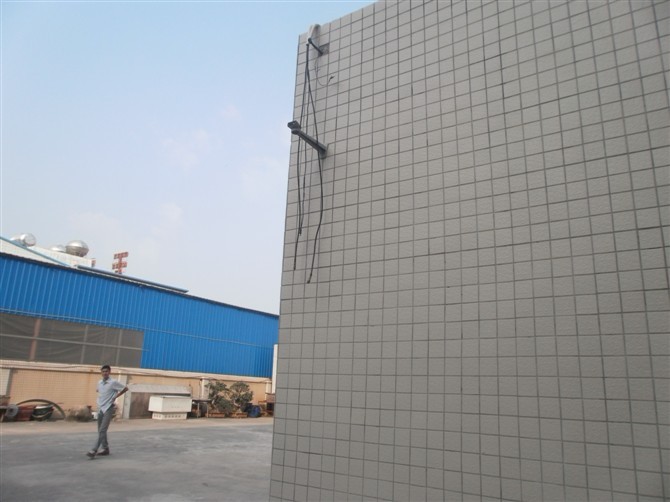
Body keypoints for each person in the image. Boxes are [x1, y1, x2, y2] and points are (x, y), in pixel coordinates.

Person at [86, 365, 128, 458]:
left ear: (109, 372)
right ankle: (105, 448)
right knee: (100, 430)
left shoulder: (113, 382)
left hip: (108, 408)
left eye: (106, 371)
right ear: (101, 372)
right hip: (100, 408)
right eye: (103, 371)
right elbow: (99, 391)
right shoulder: (100, 382)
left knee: (102, 429)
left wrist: (116, 396)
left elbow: (125, 388)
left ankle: (94, 450)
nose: (105, 373)